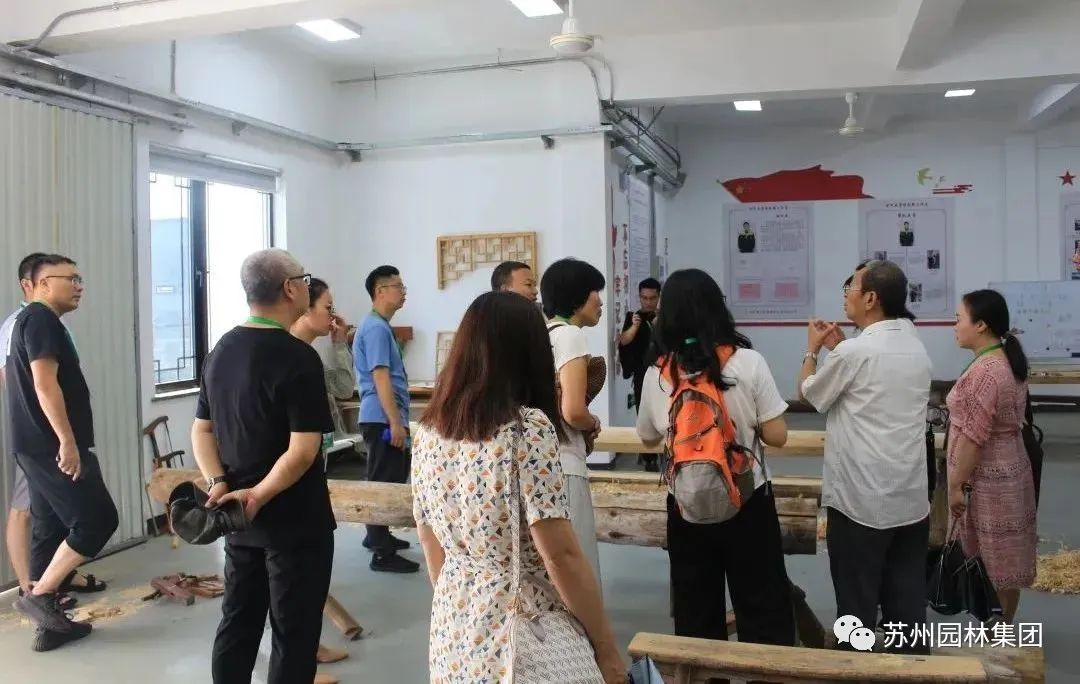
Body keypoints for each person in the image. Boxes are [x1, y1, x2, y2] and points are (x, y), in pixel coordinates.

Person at [412, 291, 623, 684]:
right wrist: (607, 649)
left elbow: (429, 540)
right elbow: (560, 555)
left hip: (453, 627)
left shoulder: (428, 432)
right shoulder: (527, 429)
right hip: (521, 628)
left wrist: (465, 603)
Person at [192, 248, 335, 683]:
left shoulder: (221, 350)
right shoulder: (298, 357)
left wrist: (219, 482)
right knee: (294, 634)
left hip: (238, 518)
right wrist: (259, 495)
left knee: (238, 622)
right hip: (294, 521)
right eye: (304, 279)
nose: (307, 286)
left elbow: (201, 430)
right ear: (290, 288)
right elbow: (303, 450)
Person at [636, 269, 796, 647]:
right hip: (748, 499)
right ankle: (762, 671)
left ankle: (704, 671)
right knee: (762, 604)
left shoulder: (658, 373)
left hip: (686, 503)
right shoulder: (748, 362)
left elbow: (647, 436)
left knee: (696, 609)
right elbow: (778, 435)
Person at [798, 260, 931, 653]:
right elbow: (869, 380)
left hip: (860, 503)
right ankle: (911, 670)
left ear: (871, 298)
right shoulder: (914, 344)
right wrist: (840, 349)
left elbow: (810, 393)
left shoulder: (855, 352)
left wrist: (812, 351)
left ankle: (855, 669)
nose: (845, 294)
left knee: (855, 610)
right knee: (906, 606)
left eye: (850, 287)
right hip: (910, 501)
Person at [8, 254, 119, 650]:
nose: (78, 286)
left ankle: (50, 627)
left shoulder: (28, 322)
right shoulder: (40, 319)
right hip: (51, 445)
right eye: (70, 278)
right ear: (40, 284)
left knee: (50, 528)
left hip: (32, 445)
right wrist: (67, 442)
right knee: (98, 520)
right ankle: (40, 596)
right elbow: (45, 384)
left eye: (79, 278)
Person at [947, 289, 1037, 623]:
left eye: (959, 319)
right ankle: (1001, 627)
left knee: (991, 557)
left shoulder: (986, 371)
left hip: (987, 478)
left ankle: (995, 633)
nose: (955, 326)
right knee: (1006, 555)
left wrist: (956, 486)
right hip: (1011, 468)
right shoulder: (1004, 360)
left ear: (981, 324)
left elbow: (973, 438)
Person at [540, 258, 605, 582]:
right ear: (577, 296)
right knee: (576, 564)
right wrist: (592, 422)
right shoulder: (570, 336)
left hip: (538, 459)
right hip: (565, 461)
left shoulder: (542, 333)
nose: (601, 301)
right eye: (595, 292)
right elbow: (573, 411)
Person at [354, 265, 419, 573]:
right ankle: (381, 553)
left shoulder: (378, 325)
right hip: (381, 418)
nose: (403, 292)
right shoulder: (377, 329)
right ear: (380, 291)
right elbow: (380, 377)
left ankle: (377, 536)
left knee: (387, 477)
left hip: (382, 416)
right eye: (398, 286)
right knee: (383, 483)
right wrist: (394, 422)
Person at [291, 277, 358, 442]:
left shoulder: (309, 355)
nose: (333, 316)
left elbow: (344, 389)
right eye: (329, 308)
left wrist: (340, 344)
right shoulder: (291, 354)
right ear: (306, 308)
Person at [618, 277, 661, 471]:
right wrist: (635, 326)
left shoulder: (665, 317)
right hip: (642, 374)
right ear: (640, 297)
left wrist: (660, 323)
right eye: (644, 298)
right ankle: (648, 457)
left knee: (665, 412)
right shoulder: (633, 317)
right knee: (644, 413)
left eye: (652, 298)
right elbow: (624, 341)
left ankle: (666, 451)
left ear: (658, 297)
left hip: (664, 373)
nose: (648, 302)